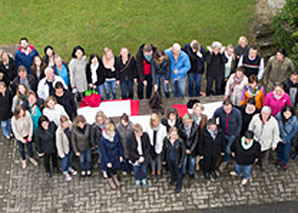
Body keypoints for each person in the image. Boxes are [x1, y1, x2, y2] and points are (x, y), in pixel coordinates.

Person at [213, 99, 242, 172]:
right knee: (222, 146)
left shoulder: (237, 113)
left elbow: (239, 124)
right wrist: (217, 128)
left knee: (227, 148)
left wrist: (235, 134)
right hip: (222, 134)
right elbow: (214, 118)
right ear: (223, 106)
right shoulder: (219, 111)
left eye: (229, 108)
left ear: (231, 106)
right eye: (225, 108)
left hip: (231, 135)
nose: (227, 110)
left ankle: (225, 160)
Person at [248, 106, 279, 171]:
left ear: (269, 114)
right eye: (263, 113)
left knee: (265, 156)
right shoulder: (255, 118)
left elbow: (276, 134)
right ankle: (252, 163)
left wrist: (274, 144)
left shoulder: (273, 121)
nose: (265, 115)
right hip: (256, 142)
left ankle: (263, 166)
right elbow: (250, 128)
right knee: (254, 154)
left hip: (266, 143)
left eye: (267, 114)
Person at [127, 123, 151, 188]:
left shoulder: (145, 135)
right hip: (135, 158)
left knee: (144, 170)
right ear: (135, 132)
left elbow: (148, 147)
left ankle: (143, 179)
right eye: (139, 132)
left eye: (141, 131)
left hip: (144, 156)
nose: (141, 133)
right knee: (136, 170)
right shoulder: (130, 138)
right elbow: (130, 151)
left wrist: (143, 156)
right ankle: (137, 180)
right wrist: (138, 158)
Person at [163, 127, 186, 193]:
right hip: (169, 160)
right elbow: (164, 150)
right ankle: (173, 180)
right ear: (169, 134)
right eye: (172, 134)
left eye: (175, 134)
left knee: (178, 173)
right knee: (172, 171)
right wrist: (164, 159)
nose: (174, 136)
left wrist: (181, 162)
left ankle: (179, 185)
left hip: (177, 160)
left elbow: (183, 152)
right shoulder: (166, 140)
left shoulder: (180, 141)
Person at [100, 123, 123, 189]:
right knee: (109, 170)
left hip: (115, 155)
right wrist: (107, 161)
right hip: (108, 156)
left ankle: (115, 178)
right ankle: (110, 180)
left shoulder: (115, 135)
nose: (111, 133)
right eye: (109, 131)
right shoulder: (103, 139)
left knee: (115, 168)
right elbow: (103, 151)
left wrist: (120, 155)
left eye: (112, 131)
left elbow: (119, 145)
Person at [275, 106, 298, 171]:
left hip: (287, 139)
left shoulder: (294, 119)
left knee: (286, 152)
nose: (286, 115)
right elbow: (275, 125)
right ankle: (279, 160)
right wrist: (277, 137)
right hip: (279, 137)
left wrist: (285, 139)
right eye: (285, 113)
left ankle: (284, 163)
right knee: (279, 150)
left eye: (288, 113)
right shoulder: (279, 116)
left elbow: (294, 131)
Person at [56, 116, 78, 181]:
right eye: (65, 123)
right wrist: (61, 154)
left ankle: (69, 167)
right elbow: (59, 144)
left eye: (67, 122)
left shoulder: (70, 126)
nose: (67, 124)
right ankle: (65, 171)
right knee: (64, 161)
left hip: (70, 147)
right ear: (62, 124)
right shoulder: (59, 132)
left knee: (69, 159)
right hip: (64, 150)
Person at [145, 113, 167, 179]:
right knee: (152, 160)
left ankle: (159, 171)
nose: (156, 124)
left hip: (159, 146)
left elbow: (164, 137)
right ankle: (153, 171)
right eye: (154, 122)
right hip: (151, 146)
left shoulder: (163, 128)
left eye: (157, 122)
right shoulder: (147, 127)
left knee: (159, 159)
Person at [91, 111, 111, 178]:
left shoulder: (108, 123)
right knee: (102, 158)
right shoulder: (94, 126)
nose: (100, 121)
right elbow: (92, 137)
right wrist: (95, 145)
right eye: (98, 120)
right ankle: (104, 170)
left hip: (108, 144)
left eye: (101, 119)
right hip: (100, 145)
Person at [179, 113, 199, 180]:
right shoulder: (181, 127)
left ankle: (191, 172)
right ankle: (183, 172)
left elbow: (196, 139)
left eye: (190, 122)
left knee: (192, 161)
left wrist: (191, 149)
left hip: (192, 148)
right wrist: (185, 149)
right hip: (184, 148)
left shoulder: (195, 127)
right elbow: (180, 139)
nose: (188, 124)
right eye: (187, 122)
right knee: (183, 161)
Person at [192, 102, 208, 171]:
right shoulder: (191, 116)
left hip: (201, 136)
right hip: (193, 136)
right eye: (196, 109)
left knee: (200, 149)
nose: (198, 111)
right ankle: (195, 163)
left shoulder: (204, 117)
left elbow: (206, 126)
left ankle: (198, 162)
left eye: (199, 110)